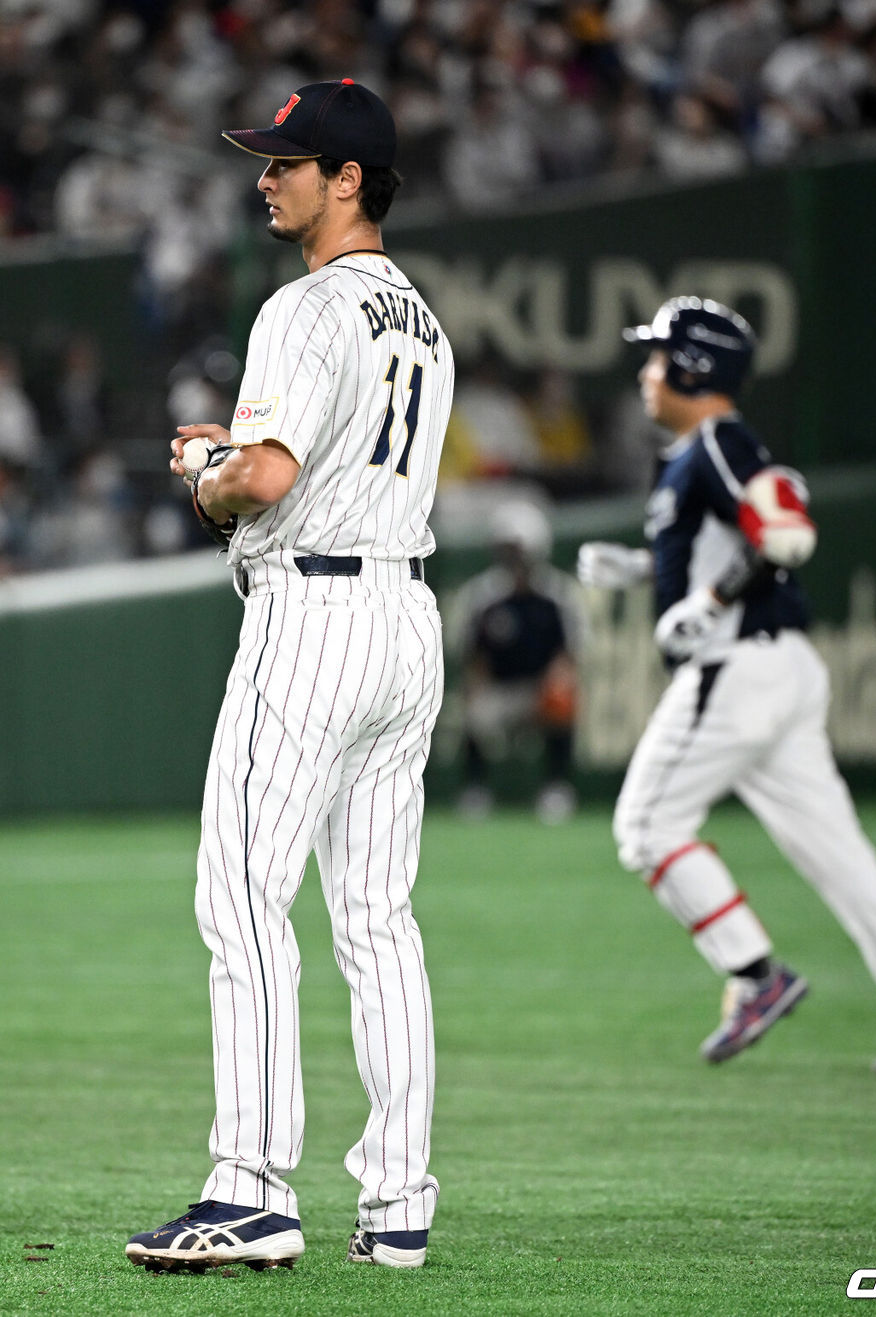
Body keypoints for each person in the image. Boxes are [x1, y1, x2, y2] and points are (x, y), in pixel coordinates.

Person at [126, 80, 455, 1274]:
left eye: (287, 162)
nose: (265, 179)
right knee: (376, 919)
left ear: (347, 179)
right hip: (405, 619)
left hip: (311, 616)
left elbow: (260, 481)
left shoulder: (307, 308)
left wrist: (208, 469)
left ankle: (249, 1187)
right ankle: (399, 1203)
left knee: (242, 897)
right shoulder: (422, 321)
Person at [577, 296, 876, 1074]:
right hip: (781, 667)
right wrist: (643, 570)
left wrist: (711, 600)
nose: (647, 372)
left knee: (646, 826)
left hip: (738, 667)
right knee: (836, 849)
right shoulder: (698, 450)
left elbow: (785, 534)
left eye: (658, 357)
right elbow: (731, 540)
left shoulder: (717, 438)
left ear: (693, 367)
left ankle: (756, 973)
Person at [450, 499, 582, 823]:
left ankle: (556, 787)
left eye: (515, 548)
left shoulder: (557, 596)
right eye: (504, 548)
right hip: (500, 691)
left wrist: (555, 682)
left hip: (539, 691)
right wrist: (476, 691)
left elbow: (570, 655)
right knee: (474, 705)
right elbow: (470, 657)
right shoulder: (483, 596)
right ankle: (475, 788)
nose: (510, 557)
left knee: (563, 695)